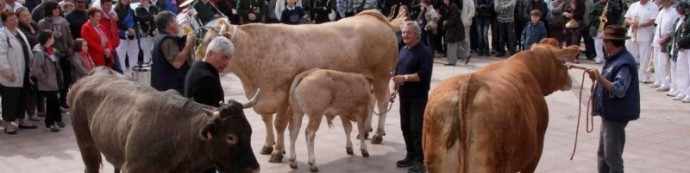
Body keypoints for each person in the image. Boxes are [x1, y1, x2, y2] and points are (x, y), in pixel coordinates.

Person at [585, 24, 640, 173]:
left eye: (605, 41)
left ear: (610, 43)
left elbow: (619, 90)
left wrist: (599, 78)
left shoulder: (624, 63)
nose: (603, 44)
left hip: (616, 115)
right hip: (609, 113)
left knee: (612, 156)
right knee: (602, 154)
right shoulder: (614, 59)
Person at [391, 21, 433, 173]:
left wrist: (406, 78)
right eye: (403, 33)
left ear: (417, 35)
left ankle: (420, 160)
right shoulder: (403, 50)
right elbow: (397, 73)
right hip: (404, 96)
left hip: (418, 97)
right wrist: (394, 89)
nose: (405, 36)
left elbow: (423, 75)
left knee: (417, 128)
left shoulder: (425, 52)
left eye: (408, 33)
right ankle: (410, 154)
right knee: (405, 126)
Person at [0, 9, 38, 134]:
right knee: (10, 98)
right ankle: (8, 124)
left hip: (24, 70)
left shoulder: (19, 32)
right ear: (4, 22)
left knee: (23, 96)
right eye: (11, 20)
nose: (14, 21)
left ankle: (22, 119)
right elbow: (1, 55)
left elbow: (26, 49)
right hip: (11, 74)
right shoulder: (2, 35)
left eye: (15, 18)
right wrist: (7, 71)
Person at [150, 11, 195, 94]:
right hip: (171, 91)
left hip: (168, 88)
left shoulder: (163, 37)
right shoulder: (166, 40)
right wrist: (188, 45)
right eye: (176, 21)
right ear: (170, 23)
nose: (178, 24)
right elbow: (177, 63)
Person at [32, 30, 64, 132]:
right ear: (48, 39)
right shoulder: (39, 52)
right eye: (52, 37)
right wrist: (45, 80)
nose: (54, 39)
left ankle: (56, 120)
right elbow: (36, 70)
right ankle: (50, 123)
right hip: (47, 83)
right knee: (51, 103)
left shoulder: (51, 50)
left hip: (54, 82)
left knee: (54, 102)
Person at [624, 0, 658, 83]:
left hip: (645, 35)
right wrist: (631, 22)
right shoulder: (634, 5)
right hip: (632, 34)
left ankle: (644, 76)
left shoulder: (653, 6)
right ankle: (628, 74)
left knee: (644, 57)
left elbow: (652, 20)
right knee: (629, 55)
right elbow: (626, 19)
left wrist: (639, 25)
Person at [651, 0, 679, 92]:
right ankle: (658, 80)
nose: (662, 3)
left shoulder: (674, 12)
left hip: (666, 40)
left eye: (663, 1)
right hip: (658, 39)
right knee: (656, 61)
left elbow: (674, 29)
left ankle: (666, 83)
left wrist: (665, 39)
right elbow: (658, 25)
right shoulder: (661, 11)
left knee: (664, 63)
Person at [672, 1, 690, 102]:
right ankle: (682, 91)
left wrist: (681, 42)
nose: (677, 10)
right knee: (682, 70)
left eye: (679, 8)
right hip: (684, 48)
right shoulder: (685, 17)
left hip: (688, 47)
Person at [114, 0, 139, 75]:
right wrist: (128, 29)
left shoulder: (131, 10)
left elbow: (135, 22)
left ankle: (134, 75)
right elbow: (118, 23)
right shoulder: (116, 10)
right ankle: (122, 76)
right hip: (121, 36)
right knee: (121, 56)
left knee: (134, 55)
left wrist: (134, 30)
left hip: (132, 36)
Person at [135, 0, 159, 64]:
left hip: (155, 32)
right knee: (147, 54)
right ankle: (148, 70)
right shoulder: (138, 9)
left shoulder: (154, 7)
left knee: (156, 53)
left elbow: (158, 18)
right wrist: (152, 17)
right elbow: (141, 19)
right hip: (145, 34)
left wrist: (148, 19)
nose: (142, 1)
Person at [441, 0, 464, 66]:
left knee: (451, 45)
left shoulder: (453, 6)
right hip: (452, 27)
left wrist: (446, 22)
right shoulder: (448, 6)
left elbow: (454, 19)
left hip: (455, 28)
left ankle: (452, 61)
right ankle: (465, 56)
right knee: (454, 45)